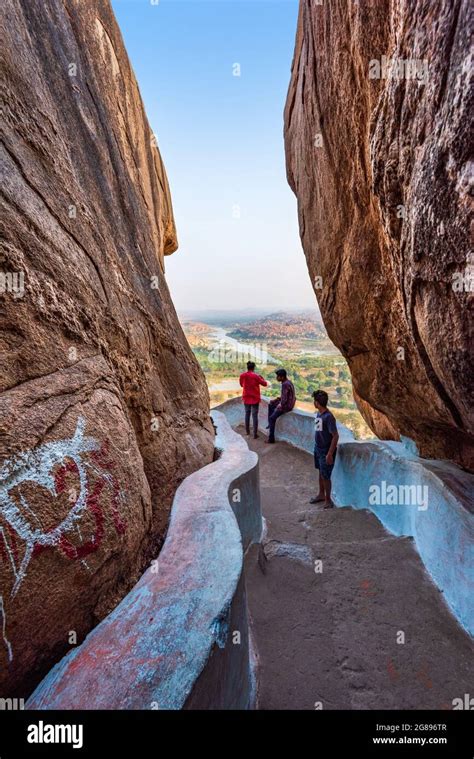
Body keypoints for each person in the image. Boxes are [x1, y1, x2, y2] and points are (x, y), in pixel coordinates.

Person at [310, 389, 339, 509]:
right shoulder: (319, 414)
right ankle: (321, 494)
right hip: (318, 448)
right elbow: (319, 430)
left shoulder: (329, 417)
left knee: (326, 476)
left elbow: (335, 436)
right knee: (321, 472)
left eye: (314, 401)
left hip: (326, 451)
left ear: (317, 403)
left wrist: (330, 454)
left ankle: (328, 500)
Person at [266, 368, 296, 444]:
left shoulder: (285, 384)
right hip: (290, 403)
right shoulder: (288, 382)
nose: (277, 378)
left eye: (278, 377)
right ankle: (270, 422)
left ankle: (271, 439)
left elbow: (284, 400)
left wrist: (279, 406)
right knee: (271, 404)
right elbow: (284, 396)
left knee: (272, 418)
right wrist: (276, 400)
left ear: (282, 377)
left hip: (287, 406)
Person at [239, 361, 268, 438]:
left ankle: (247, 432)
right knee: (255, 416)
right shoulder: (256, 376)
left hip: (246, 398)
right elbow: (265, 384)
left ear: (247, 367)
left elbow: (242, 385)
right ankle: (255, 434)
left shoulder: (242, 375)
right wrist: (261, 378)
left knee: (247, 414)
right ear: (254, 368)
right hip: (255, 399)